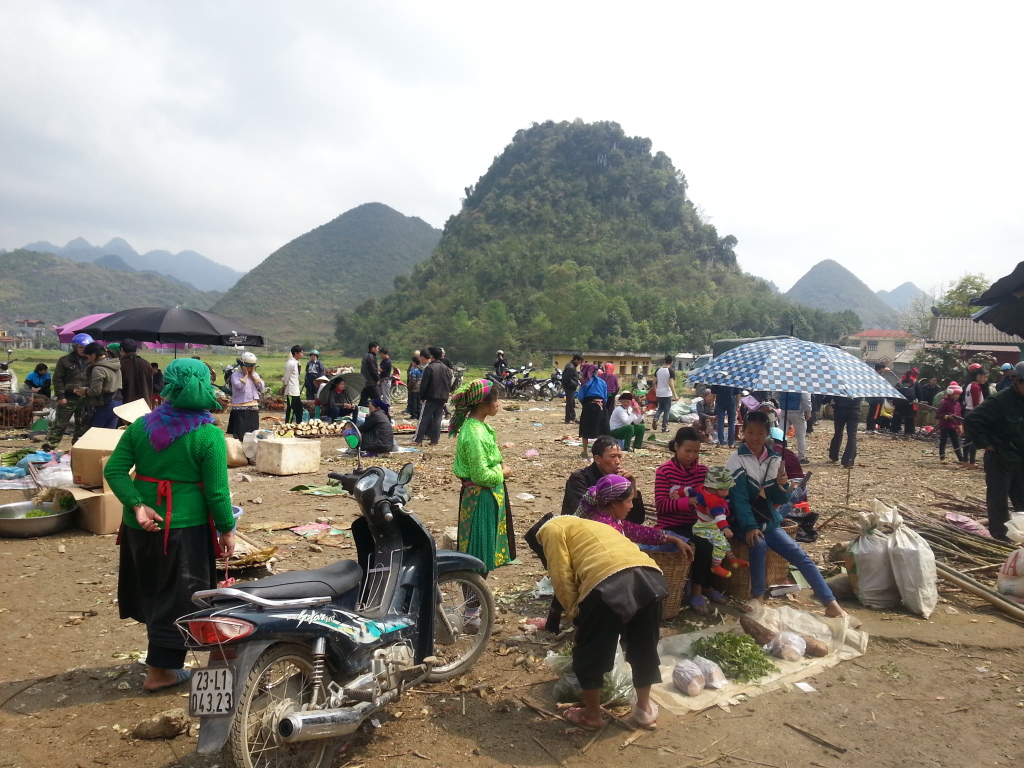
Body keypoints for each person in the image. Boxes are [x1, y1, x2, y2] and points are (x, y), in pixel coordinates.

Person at [104, 358, 235, 693]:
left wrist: (138, 505)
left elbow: (114, 471)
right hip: (184, 529)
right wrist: (227, 529)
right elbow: (218, 493)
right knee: (178, 599)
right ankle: (160, 672)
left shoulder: (140, 426)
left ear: (169, 387)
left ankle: (159, 661)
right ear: (206, 387)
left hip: (140, 526)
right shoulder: (208, 435)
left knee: (151, 588)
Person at [536, 515, 666, 731]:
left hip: (605, 580)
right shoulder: (593, 525)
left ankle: (592, 715)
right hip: (650, 575)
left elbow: (560, 575)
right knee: (645, 646)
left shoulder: (551, 529)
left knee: (590, 651)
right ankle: (644, 711)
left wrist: (576, 614)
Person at [725, 410, 847, 617]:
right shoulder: (736, 460)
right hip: (741, 520)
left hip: (768, 519)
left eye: (760, 433)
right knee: (759, 543)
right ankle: (757, 596)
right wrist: (750, 527)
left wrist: (783, 486)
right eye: (751, 432)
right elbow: (739, 499)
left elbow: (779, 501)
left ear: (767, 435)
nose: (755, 438)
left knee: (801, 556)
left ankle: (830, 603)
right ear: (743, 432)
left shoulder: (775, 459)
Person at [450, 379, 515, 581]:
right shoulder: (473, 434)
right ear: (482, 404)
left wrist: (499, 466)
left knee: (483, 550)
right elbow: (481, 475)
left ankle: (474, 605)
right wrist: (503, 472)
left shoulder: (479, 427)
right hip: (481, 497)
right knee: (478, 552)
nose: (498, 404)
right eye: (496, 400)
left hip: (487, 495)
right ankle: (472, 608)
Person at [653, 427, 720, 614]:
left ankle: (708, 585)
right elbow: (661, 506)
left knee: (720, 541)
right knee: (703, 544)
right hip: (672, 525)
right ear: (676, 447)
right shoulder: (664, 471)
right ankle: (696, 592)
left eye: (696, 451)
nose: (692, 456)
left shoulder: (704, 472)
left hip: (698, 522)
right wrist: (688, 502)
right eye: (687, 451)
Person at [964, 363, 1024, 542]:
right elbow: (972, 420)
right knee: (998, 499)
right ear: (1016, 381)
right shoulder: (1000, 401)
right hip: (1000, 458)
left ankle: (1020, 532)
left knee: (1022, 497)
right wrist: (986, 444)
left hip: (1019, 458)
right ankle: (1000, 538)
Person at [683, 467, 747, 578]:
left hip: (705, 525)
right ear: (719, 489)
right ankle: (716, 565)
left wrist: (678, 492)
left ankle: (733, 560)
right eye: (727, 489)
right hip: (705, 528)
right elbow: (720, 517)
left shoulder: (702, 488)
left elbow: (690, 490)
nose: (728, 492)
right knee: (721, 544)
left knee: (724, 542)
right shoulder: (715, 502)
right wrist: (725, 528)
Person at [44, 333, 94, 450]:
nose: (83, 350)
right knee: (59, 425)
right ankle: (49, 449)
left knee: (82, 426)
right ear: (75, 346)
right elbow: (57, 379)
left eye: (85, 348)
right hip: (68, 398)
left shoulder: (91, 361)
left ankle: (78, 450)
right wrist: (60, 396)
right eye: (81, 347)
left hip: (85, 398)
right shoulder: (64, 361)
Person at [74, 342, 123, 429]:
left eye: (88, 357)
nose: (88, 360)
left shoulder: (98, 369)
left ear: (94, 355)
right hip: (117, 402)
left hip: (105, 404)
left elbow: (95, 391)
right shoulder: (115, 364)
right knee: (108, 434)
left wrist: (84, 391)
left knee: (94, 433)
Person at [413, 347, 453, 446]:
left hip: (431, 397)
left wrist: (422, 397)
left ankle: (418, 439)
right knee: (437, 419)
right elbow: (449, 384)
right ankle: (434, 440)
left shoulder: (430, 368)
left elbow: (424, 384)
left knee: (424, 418)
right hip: (442, 397)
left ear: (432, 356)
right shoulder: (447, 369)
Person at [226, 351, 264, 440]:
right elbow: (239, 386)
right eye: (248, 367)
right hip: (240, 407)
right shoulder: (235, 375)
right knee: (240, 433)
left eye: (252, 367)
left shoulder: (255, 375)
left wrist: (253, 377)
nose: (250, 369)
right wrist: (246, 376)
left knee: (252, 432)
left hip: (253, 406)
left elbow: (261, 387)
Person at [825, 394, 861, 468]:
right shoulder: (858, 385)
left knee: (838, 433)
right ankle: (848, 460)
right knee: (852, 435)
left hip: (840, 410)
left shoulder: (839, 384)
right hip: (854, 410)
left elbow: (831, 395)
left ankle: (834, 455)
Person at [962, 365, 987, 466]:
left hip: (968, 411)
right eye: (985, 376)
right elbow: (977, 403)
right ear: (978, 376)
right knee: (973, 439)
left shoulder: (968, 385)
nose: (986, 379)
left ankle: (965, 460)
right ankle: (972, 462)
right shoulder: (976, 387)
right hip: (974, 413)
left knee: (968, 438)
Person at [777, 391, 812, 463]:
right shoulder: (802, 382)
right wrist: (808, 411)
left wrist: (781, 402)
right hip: (797, 411)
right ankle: (802, 457)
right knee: (800, 436)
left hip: (784, 409)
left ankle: (777, 453)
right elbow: (806, 398)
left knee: (780, 434)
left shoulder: (782, 380)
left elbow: (775, 394)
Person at [119, 339, 154, 409]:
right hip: (144, 404)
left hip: (125, 406)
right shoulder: (146, 364)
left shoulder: (119, 364)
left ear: (122, 349)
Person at [936, 383, 965, 463]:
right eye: (955, 394)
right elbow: (939, 413)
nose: (957, 396)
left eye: (958, 394)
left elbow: (959, 415)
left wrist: (960, 425)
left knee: (956, 442)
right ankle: (942, 458)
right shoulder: (945, 402)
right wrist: (947, 417)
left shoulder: (958, 404)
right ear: (950, 393)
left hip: (954, 426)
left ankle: (961, 458)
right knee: (943, 441)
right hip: (945, 425)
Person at [890, 369, 918, 440]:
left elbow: (894, 391)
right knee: (909, 419)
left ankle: (894, 434)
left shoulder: (900, 381)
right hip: (909, 403)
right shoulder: (915, 382)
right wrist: (917, 400)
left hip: (899, 402)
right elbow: (919, 394)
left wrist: (894, 401)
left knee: (896, 418)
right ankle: (907, 436)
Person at [652, 355, 676, 434]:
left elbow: (654, 381)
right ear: (672, 362)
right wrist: (675, 394)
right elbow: (671, 383)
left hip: (659, 392)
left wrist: (655, 389)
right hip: (667, 393)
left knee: (660, 408)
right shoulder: (670, 371)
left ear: (664, 361)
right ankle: (664, 427)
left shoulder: (658, 370)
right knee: (666, 411)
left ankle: (656, 418)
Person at [865, 362, 891, 432]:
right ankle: (872, 428)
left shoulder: (871, 374)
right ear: (881, 368)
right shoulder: (878, 377)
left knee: (871, 412)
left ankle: (869, 428)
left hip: (871, 398)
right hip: (877, 399)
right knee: (875, 414)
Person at [283, 345, 304, 424]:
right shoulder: (290, 363)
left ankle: (299, 423)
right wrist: (284, 386)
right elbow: (286, 377)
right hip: (291, 390)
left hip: (296, 390)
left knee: (299, 407)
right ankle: (287, 425)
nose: (302, 354)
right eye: (301, 353)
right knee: (291, 408)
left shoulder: (296, 363)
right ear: (296, 353)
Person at [562, 353, 582, 424]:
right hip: (569, 387)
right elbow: (566, 378)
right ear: (576, 360)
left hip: (571, 387)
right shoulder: (571, 367)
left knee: (572, 403)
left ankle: (573, 418)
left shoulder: (571, 366)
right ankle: (568, 419)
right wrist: (573, 384)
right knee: (569, 403)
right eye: (579, 361)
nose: (579, 363)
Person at [359, 342, 381, 407]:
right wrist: (377, 379)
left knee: (363, 400)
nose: (378, 350)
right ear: (373, 348)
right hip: (370, 382)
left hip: (365, 382)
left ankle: (357, 413)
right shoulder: (370, 357)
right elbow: (373, 370)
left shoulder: (366, 356)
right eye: (377, 348)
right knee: (377, 400)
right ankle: (384, 415)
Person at [406, 353, 423, 419]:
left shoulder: (414, 371)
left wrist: (409, 387)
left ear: (414, 363)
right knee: (419, 403)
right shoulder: (422, 369)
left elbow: (413, 381)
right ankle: (419, 415)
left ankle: (414, 415)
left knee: (414, 402)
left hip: (414, 389)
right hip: (420, 389)